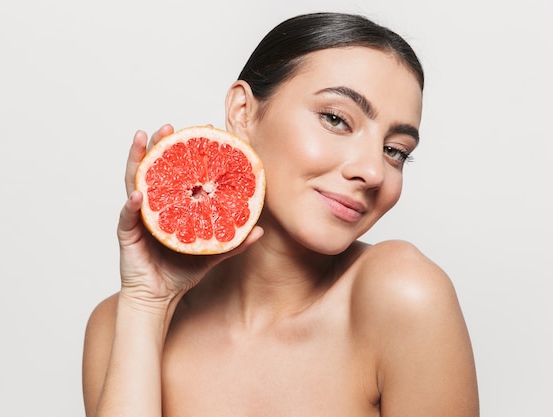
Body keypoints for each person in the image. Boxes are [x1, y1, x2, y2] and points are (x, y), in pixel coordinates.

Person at [82, 12, 479, 417]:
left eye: (395, 150)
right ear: (243, 112)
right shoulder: (118, 325)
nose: (373, 171)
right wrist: (147, 303)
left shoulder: (402, 295)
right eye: (337, 119)